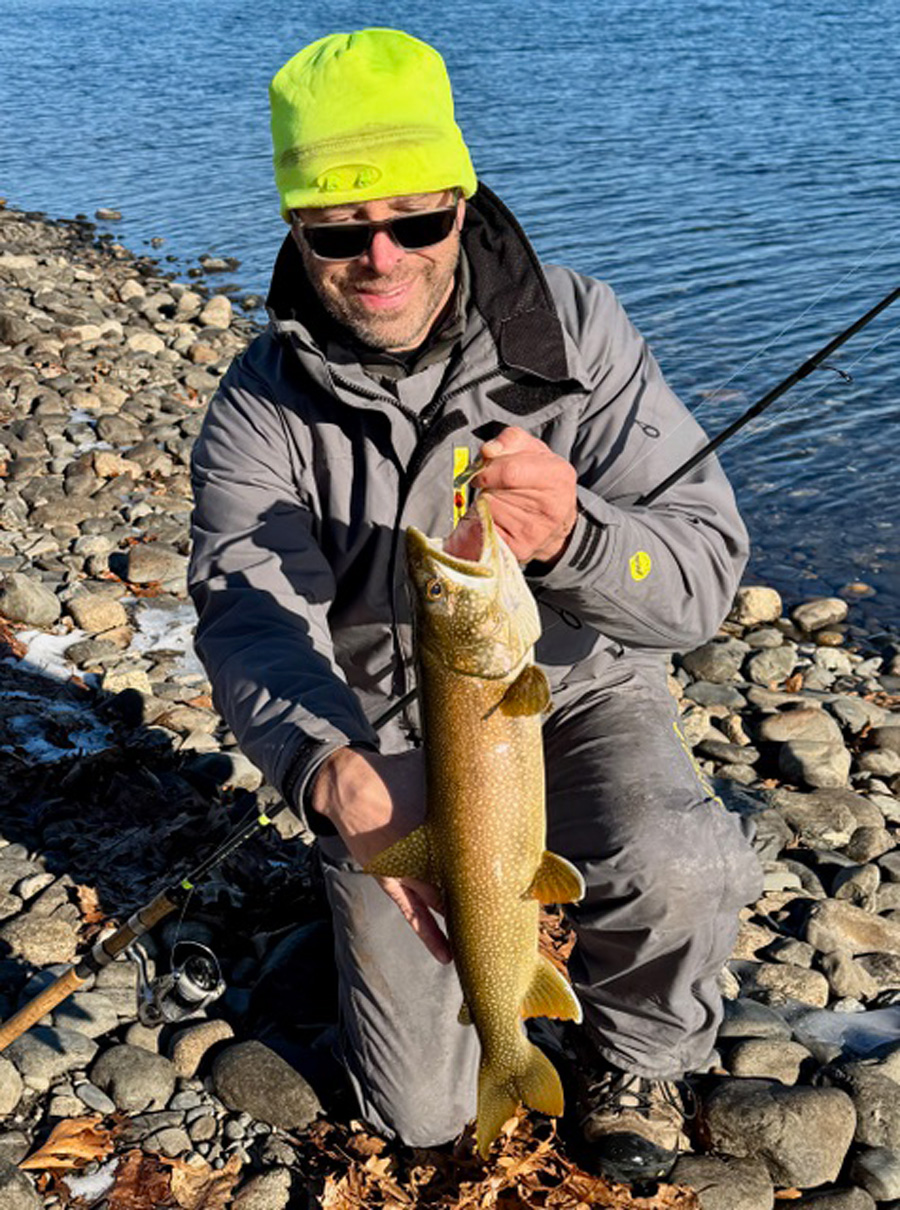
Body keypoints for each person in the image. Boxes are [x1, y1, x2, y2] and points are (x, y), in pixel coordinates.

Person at [188, 28, 763, 1185]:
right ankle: (461, 1005)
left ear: (462, 200)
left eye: (416, 220)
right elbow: (247, 616)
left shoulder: (576, 331)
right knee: (420, 1114)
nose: (381, 258)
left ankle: (640, 1054)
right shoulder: (260, 405)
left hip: (573, 696)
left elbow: (702, 580)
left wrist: (583, 536)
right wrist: (327, 768)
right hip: (385, 743)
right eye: (339, 231)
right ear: (295, 229)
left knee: (683, 860)